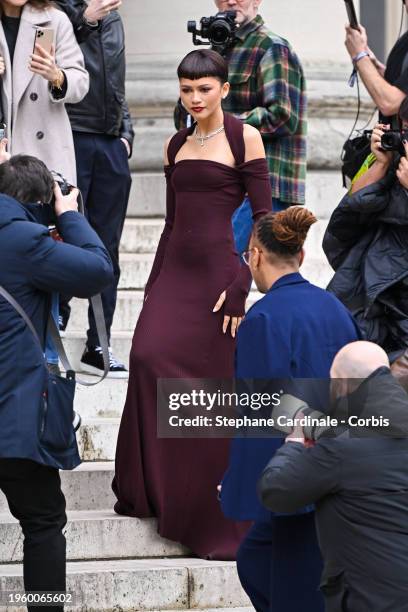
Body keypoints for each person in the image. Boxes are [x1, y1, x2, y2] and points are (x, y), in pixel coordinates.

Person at [112, 48, 271, 560]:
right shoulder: (175, 143)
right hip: (175, 276)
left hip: (220, 282)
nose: (195, 97)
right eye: (186, 89)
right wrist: (152, 287)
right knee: (144, 357)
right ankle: (158, 489)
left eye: (204, 88)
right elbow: (169, 225)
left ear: (224, 88)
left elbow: (266, 220)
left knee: (206, 392)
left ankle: (204, 508)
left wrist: (245, 279)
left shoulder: (243, 136)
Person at [219, 208, 361, 611]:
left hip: (294, 475)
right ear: (299, 256)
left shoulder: (262, 317)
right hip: (337, 467)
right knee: (262, 563)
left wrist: (238, 481)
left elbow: (260, 409)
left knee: (284, 580)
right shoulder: (335, 308)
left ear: (256, 256)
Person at [0, 155, 113, 612]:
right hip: (14, 420)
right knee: (44, 522)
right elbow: (98, 269)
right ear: (40, 200)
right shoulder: (27, 241)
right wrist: (68, 213)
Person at [258, 341, 408, 612]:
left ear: (341, 384)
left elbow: (276, 491)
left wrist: (293, 443)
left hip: (368, 598)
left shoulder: (341, 446)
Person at [55, 0, 134, 377]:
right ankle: (53, 326)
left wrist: (126, 133)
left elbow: (117, 84)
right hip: (69, 135)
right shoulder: (56, 11)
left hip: (110, 144)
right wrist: (85, 20)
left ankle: (97, 344)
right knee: (64, 238)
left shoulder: (114, 18)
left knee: (108, 247)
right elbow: (52, 67)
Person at [323, 97, 408, 360]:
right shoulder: (392, 164)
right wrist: (380, 163)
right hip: (366, 296)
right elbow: (346, 219)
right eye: (404, 129)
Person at [344, 0, 408, 125]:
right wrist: (373, 64)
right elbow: (400, 85)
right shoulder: (405, 41)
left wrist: (360, 56)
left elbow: (390, 103)